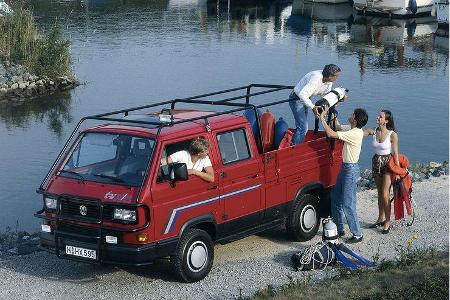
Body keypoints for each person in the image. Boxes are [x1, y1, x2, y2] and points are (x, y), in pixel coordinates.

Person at [320, 108, 368, 243]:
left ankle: (357, 234)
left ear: (356, 119)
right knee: (335, 198)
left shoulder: (354, 133)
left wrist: (322, 118)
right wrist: (333, 113)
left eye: (353, 114)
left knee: (348, 203)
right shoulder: (352, 128)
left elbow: (330, 133)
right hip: (345, 168)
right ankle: (339, 229)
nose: (351, 114)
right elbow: (338, 127)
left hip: (350, 170)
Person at [289, 64, 344, 145]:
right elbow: (302, 94)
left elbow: (327, 95)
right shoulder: (316, 79)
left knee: (303, 127)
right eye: (337, 76)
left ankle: (297, 145)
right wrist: (313, 107)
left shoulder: (329, 82)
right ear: (330, 76)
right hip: (297, 99)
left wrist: (339, 99)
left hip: (306, 99)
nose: (338, 78)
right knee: (303, 127)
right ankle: (293, 148)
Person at [364, 110, 399, 234]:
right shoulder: (373, 131)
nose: (377, 117)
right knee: (379, 193)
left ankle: (388, 221)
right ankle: (380, 218)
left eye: (380, 116)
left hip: (387, 164)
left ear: (386, 120)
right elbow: (357, 133)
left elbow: (395, 153)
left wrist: (398, 171)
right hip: (376, 163)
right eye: (378, 115)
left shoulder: (392, 134)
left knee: (385, 193)